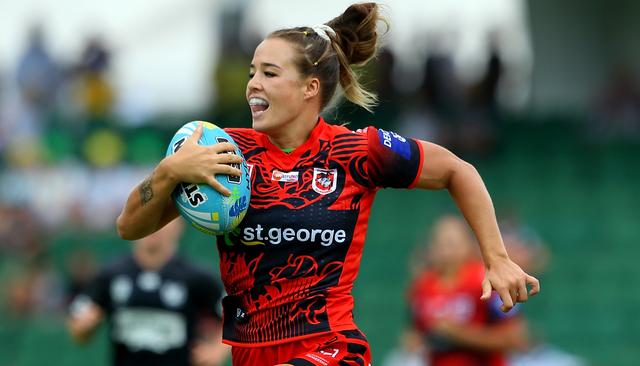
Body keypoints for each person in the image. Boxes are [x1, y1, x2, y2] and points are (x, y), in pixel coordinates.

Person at [116, 3, 540, 365]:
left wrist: (496, 257)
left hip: (332, 347)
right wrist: (169, 171)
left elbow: (457, 170)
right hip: (250, 349)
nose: (253, 85)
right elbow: (129, 227)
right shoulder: (224, 153)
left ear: (309, 87)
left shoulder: (358, 152)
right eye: (252, 72)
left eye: (269, 73)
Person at [67, 219, 230, 366]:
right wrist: (84, 327)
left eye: (162, 218)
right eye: (147, 216)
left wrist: (217, 350)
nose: (153, 226)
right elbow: (78, 327)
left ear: (178, 226)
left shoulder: (196, 277)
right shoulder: (110, 274)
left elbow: (237, 316)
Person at [409, 215, 529, 366]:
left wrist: (459, 334)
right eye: (439, 243)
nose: (445, 251)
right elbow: (415, 332)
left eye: (451, 243)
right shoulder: (422, 285)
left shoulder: (486, 280)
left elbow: (514, 337)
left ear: (468, 244)